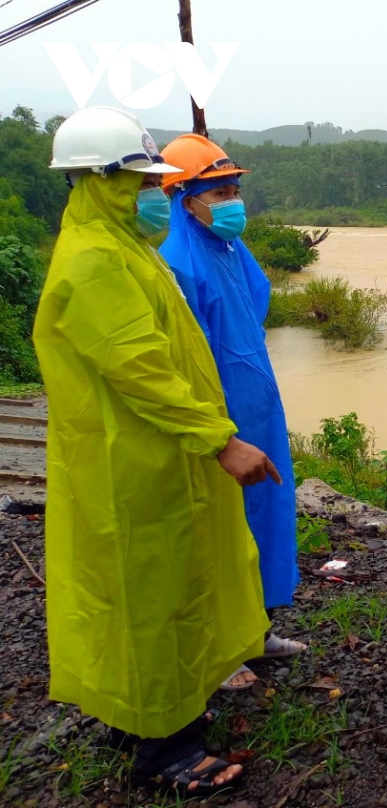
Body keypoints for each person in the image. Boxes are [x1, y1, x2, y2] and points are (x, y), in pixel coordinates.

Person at [33, 106, 278, 795]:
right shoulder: (95, 265)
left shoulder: (120, 251)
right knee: (152, 599)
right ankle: (167, 749)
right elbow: (140, 369)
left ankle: (137, 716)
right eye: (141, 180)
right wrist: (219, 441)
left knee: (147, 593)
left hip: (150, 457)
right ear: (99, 182)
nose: (152, 194)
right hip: (133, 464)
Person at [158, 134, 304, 691]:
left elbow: (256, 304)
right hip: (217, 418)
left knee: (263, 514)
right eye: (219, 190)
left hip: (257, 405)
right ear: (184, 197)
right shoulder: (175, 262)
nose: (232, 199)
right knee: (219, 528)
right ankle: (218, 648)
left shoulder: (227, 248)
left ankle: (255, 629)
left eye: (235, 188)